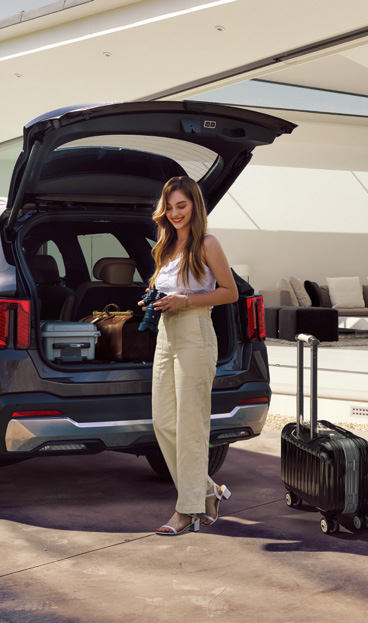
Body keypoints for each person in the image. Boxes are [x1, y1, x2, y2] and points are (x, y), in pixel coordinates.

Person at [140, 176, 239, 536]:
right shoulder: (165, 246)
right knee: (164, 422)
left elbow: (230, 292)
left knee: (191, 425)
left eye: (181, 205)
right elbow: (166, 288)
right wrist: (153, 299)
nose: (175, 213)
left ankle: (187, 510)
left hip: (195, 331)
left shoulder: (207, 244)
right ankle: (207, 490)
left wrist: (186, 301)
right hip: (167, 334)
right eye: (169, 207)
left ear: (195, 205)